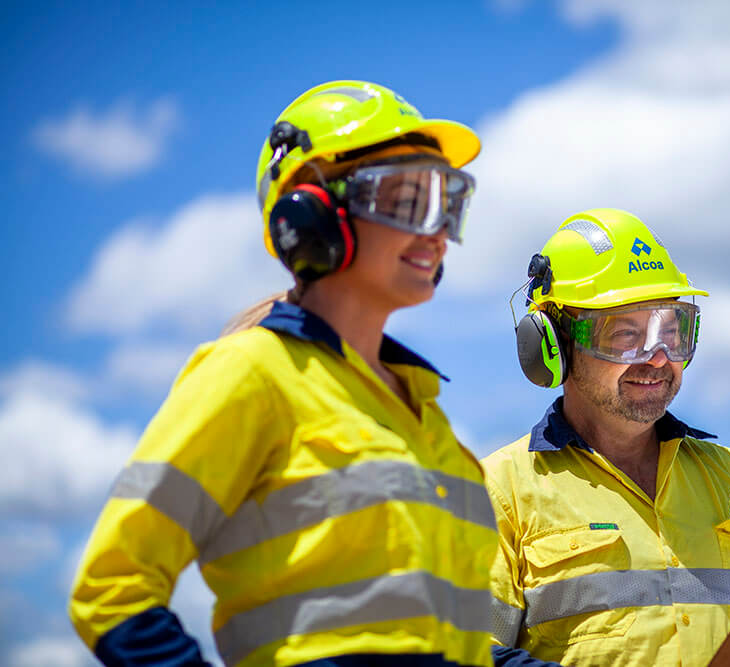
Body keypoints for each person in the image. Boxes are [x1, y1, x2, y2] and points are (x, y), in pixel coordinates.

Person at [68, 80, 498, 667]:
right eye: (406, 201)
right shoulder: (251, 373)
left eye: (445, 203)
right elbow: (112, 590)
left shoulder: (428, 418)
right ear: (312, 213)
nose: (437, 231)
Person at [484, 208, 730, 667]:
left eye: (671, 333)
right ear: (553, 343)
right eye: (625, 335)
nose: (657, 358)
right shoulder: (498, 491)